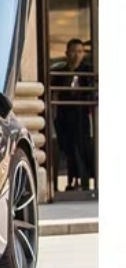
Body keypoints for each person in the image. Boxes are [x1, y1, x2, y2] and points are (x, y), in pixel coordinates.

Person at [53, 39, 95, 191]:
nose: (76, 55)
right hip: (64, 117)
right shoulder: (60, 73)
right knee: (68, 149)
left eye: (80, 52)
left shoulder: (88, 73)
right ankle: (71, 181)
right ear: (66, 54)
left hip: (82, 116)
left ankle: (83, 181)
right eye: (73, 51)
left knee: (82, 148)